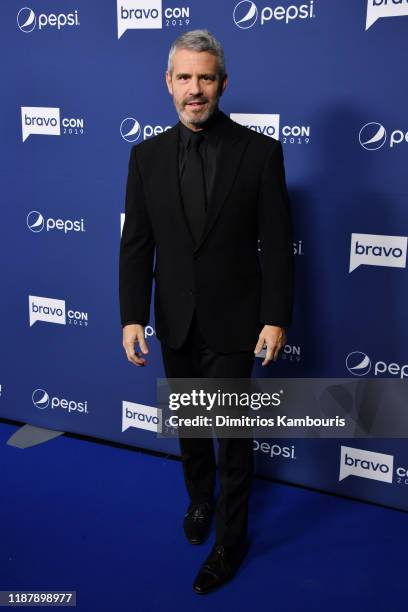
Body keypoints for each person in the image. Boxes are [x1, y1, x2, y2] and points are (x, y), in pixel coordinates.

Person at [119, 29, 294, 594]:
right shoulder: (144, 156)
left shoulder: (260, 152)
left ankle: (231, 538)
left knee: (232, 437)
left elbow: (278, 240)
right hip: (174, 319)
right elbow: (137, 245)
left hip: (237, 321)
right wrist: (130, 316)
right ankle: (199, 501)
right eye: (186, 78)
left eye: (207, 78)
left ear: (223, 83)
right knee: (191, 427)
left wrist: (275, 316)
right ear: (168, 83)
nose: (196, 89)